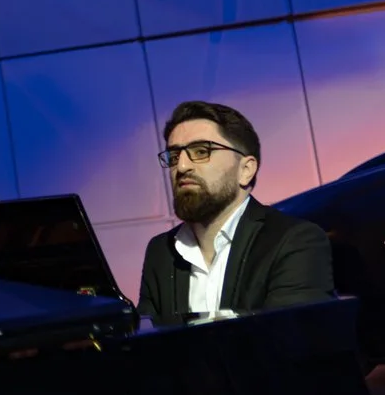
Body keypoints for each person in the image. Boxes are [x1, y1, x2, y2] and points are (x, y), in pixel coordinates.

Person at [138, 99, 334, 324]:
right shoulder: (161, 252)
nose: (181, 167)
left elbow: (290, 345)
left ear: (246, 170)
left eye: (201, 151)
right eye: (174, 156)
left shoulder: (294, 241)